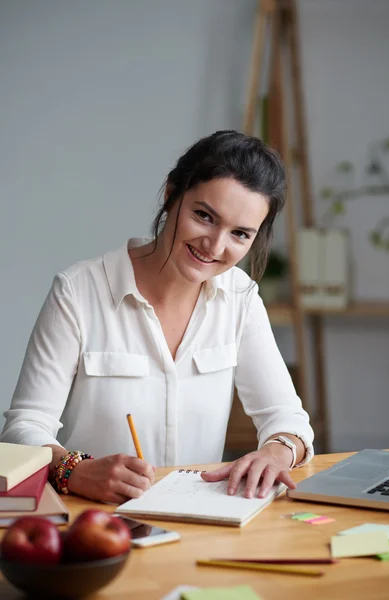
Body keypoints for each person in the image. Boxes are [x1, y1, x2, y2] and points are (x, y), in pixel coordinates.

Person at [1, 130, 314, 504]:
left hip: (198, 523)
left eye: (240, 234)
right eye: (204, 216)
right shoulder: (78, 291)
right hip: (96, 521)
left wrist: (276, 452)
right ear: (170, 195)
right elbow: (23, 428)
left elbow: (287, 417)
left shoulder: (240, 298)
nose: (214, 246)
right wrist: (76, 470)